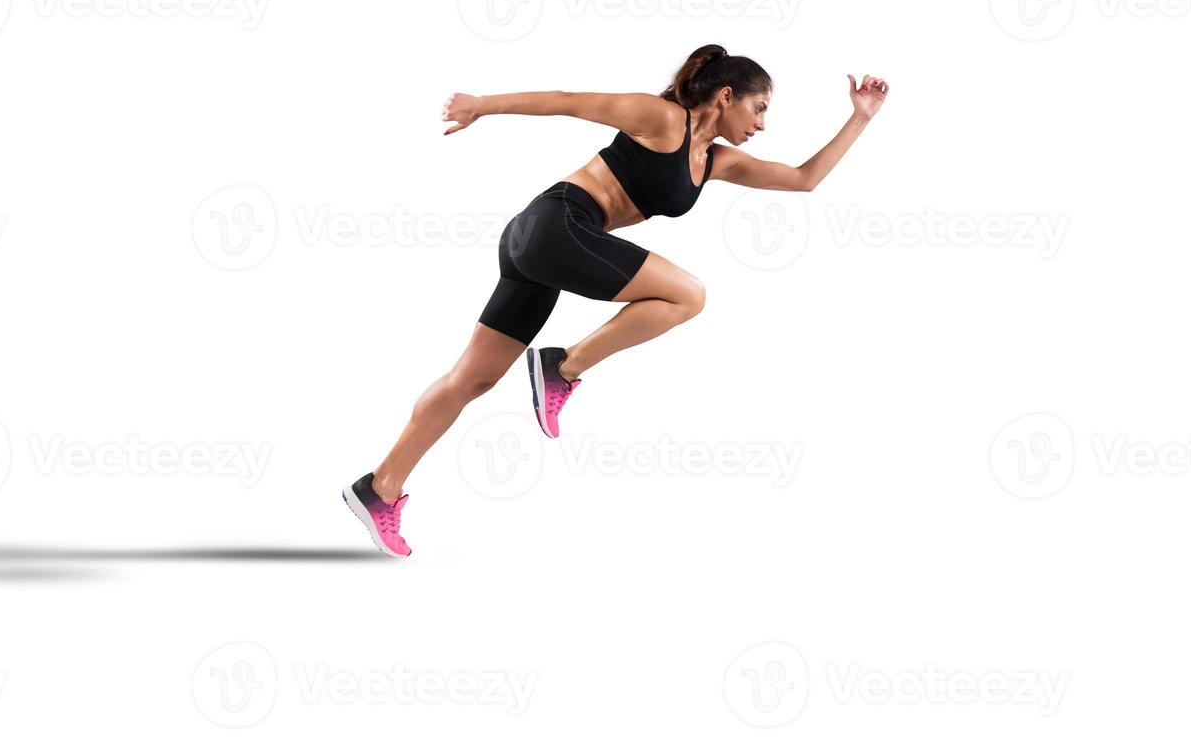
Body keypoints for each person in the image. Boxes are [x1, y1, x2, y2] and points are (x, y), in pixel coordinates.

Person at [343, 44, 889, 556]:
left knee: (474, 379)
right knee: (688, 295)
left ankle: (380, 488)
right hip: (555, 224)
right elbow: (571, 103)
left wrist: (861, 118)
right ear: (726, 97)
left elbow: (802, 179)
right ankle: (563, 366)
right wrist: (481, 106)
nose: (762, 124)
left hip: (541, 246)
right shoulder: (663, 118)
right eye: (759, 108)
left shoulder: (714, 162)